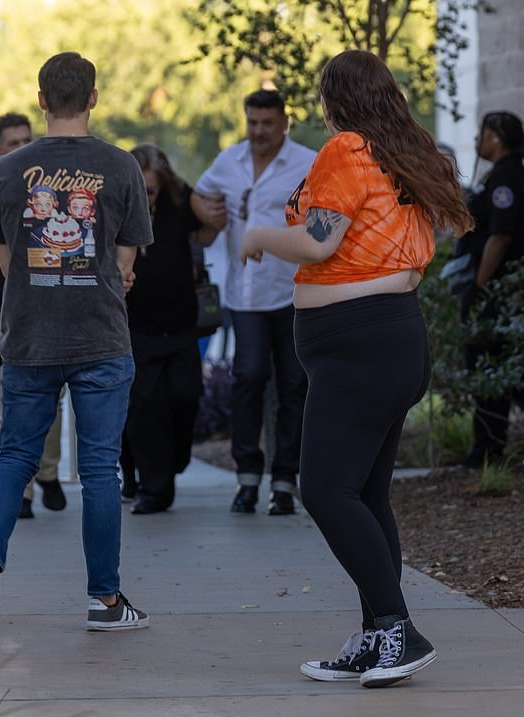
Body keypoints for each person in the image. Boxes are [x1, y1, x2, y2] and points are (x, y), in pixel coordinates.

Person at [240, 50, 473, 687]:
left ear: (332, 97)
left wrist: (259, 237)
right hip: (392, 339)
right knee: (365, 495)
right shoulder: (404, 151)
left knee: (323, 489)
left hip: (360, 345)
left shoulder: (347, 148)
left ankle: (398, 629)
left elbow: (319, 241)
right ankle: (377, 637)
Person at [0, 52, 152, 635]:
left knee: (15, 456)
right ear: (93, 97)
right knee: (99, 469)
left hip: (29, 339)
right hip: (100, 337)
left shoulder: (6, 171)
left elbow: (5, 259)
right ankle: (105, 601)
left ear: (42, 101)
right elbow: (125, 260)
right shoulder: (121, 168)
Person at [191, 89, 316, 516]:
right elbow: (199, 194)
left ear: (285, 121)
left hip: (294, 289)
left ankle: (284, 480)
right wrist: (209, 215)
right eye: (252, 122)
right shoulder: (229, 161)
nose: (259, 131)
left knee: (293, 384)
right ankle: (247, 478)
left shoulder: (308, 163)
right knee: (248, 376)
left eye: (267, 122)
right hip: (244, 292)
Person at [0, 112, 66, 520]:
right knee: (12, 405)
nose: (21, 149)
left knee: (51, 402)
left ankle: (48, 472)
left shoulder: (51, 198)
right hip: (3, 319)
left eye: (27, 141)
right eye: (12, 143)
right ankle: (23, 491)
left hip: (52, 314)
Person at [119, 144, 216, 514]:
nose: (146, 196)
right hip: (138, 327)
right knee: (145, 407)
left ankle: (172, 462)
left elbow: (209, 224)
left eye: (151, 190)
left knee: (186, 395)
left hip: (180, 325)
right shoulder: (120, 209)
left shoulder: (180, 201)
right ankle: (155, 489)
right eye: (140, 190)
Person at [455, 111, 524, 467]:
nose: (476, 140)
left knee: (489, 366)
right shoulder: (498, 175)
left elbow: (500, 237)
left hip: (494, 294)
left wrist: (480, 285)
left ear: (496, 136)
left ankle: (488, 450)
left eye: (481, 133)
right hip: (492, 291)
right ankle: (485, 447)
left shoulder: (507, 179)